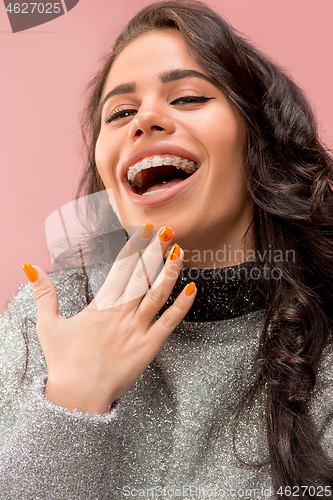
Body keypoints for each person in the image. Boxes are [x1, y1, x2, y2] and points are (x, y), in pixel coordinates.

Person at [1, 1, 333, 498]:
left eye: (189, 98)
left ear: (257, 140)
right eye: (121, 112)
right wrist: (71, 400)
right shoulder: (45, 320)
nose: (146, 120)